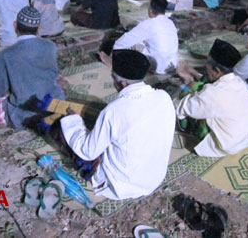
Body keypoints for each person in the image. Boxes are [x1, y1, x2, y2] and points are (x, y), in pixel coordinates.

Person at [60, 49, 176, 200]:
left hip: (121, 185)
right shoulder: (164, 96)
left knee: (63, 131)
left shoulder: (114, 110)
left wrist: (74, 121)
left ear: (121, 83)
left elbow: (88, 151)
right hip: (154, 178)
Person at [0, 6, 65, 128]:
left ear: (15, 25)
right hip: (56, 107)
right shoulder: (50, 46)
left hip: (25, 115)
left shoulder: (5, 55)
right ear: (39, 28)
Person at [176, 39, 248, 157]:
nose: (205, 65)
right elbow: (211, 84)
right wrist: (194, 74)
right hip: (243, 138)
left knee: (188, 96)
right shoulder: (239, 82)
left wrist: (187, 86)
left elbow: (180, 108)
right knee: (203, 82)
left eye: (207, 62)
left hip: (223, 145)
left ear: (217, 70)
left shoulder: (213, 93)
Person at [110, 0, 178, 74]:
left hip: (158, 67)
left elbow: (124, 41)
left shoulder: (149, 24)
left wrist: (114, 49)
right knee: (144, 41)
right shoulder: (170, 22)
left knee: (133, 44)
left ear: (151, 10)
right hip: (173, 63)